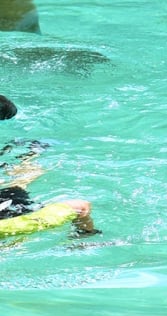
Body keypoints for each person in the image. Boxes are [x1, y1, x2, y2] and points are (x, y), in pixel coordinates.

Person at [0, 98, 99, 239]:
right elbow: (82, 207)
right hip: (9, 222)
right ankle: (83, 241)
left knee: (20, 180)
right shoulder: (12, 227)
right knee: (80, 206)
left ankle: (31, 155)